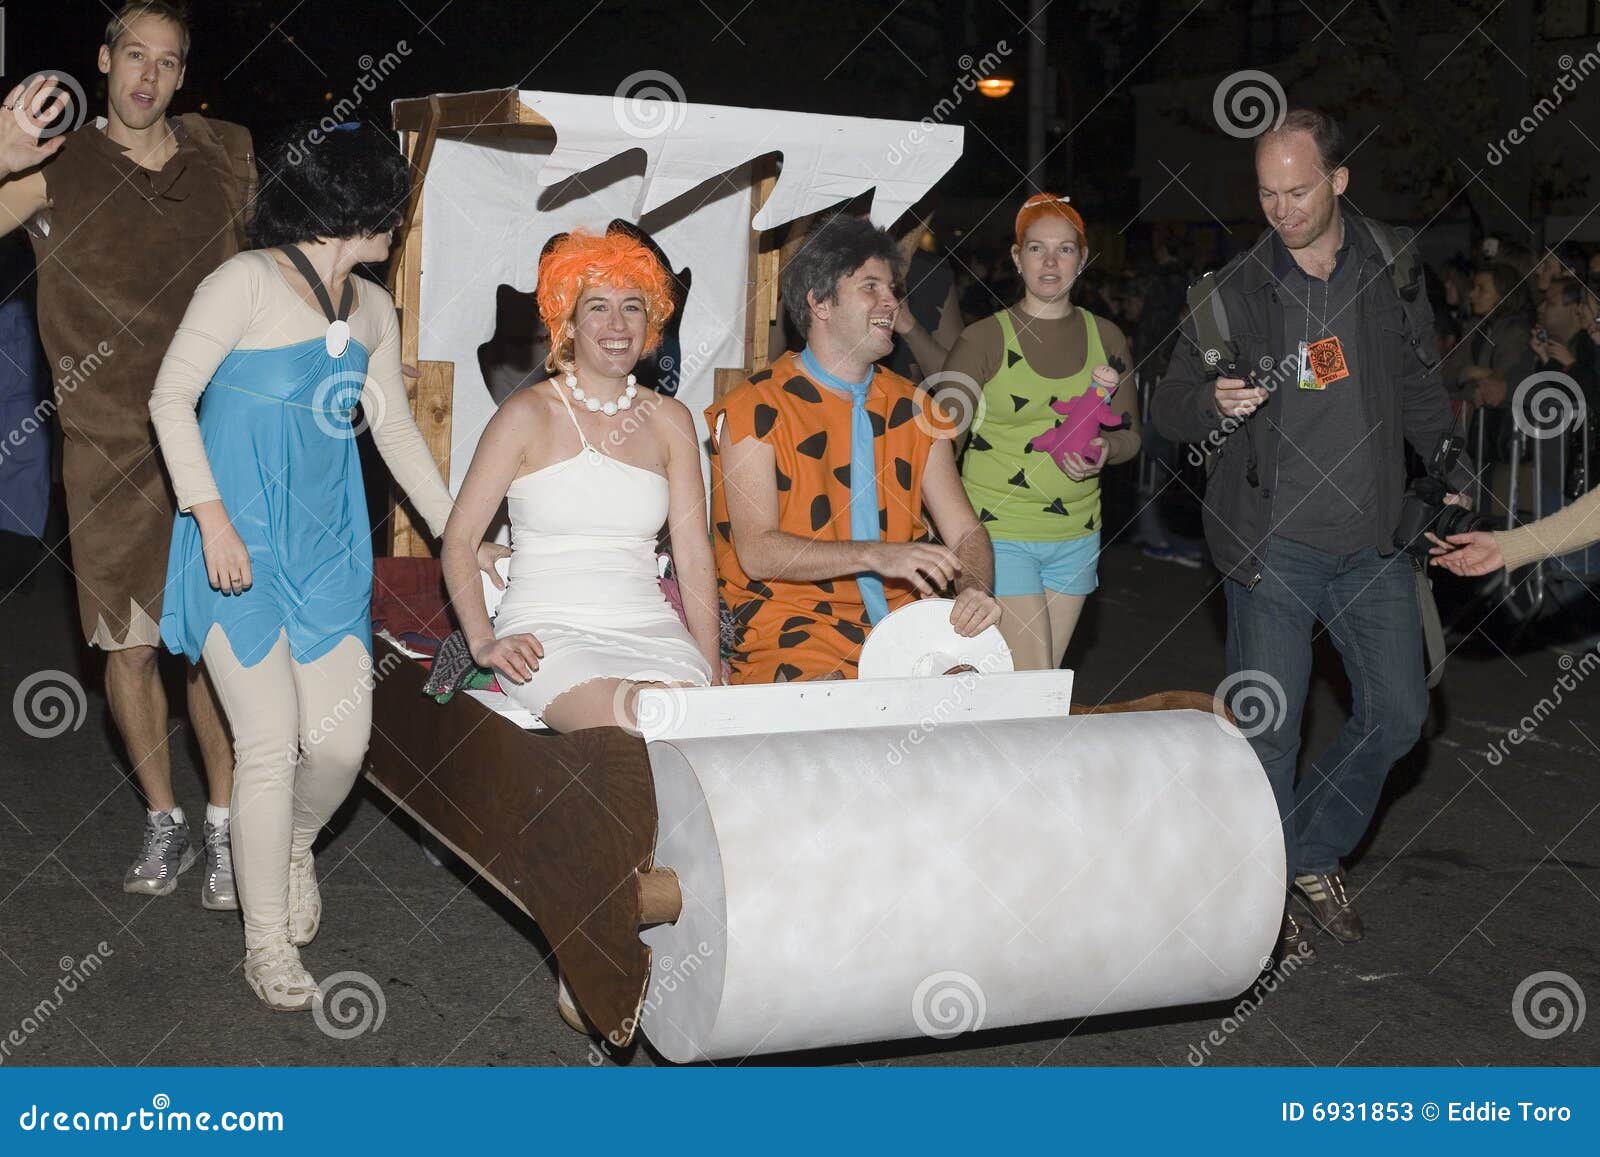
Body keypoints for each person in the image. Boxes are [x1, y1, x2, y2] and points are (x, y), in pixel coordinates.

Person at [149, 121, 493, 1010]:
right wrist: (211, 518)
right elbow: (170, 396)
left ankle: (292, 842)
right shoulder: (244, 283)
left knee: (338, 745)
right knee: (266, 744)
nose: (399, 225)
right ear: (363, 205)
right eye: (393, 208)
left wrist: (464, 531)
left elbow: (398, 433)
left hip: (329, 551)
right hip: (237, 548)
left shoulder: (373, 309)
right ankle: (266, 946)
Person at [1151, 108, 1473, 959]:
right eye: (1266, 192)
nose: (1281, 208)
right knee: (1270, 731)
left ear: (1338, 181)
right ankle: (1261, 894)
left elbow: (1416, 381)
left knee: (1402, 713)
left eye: (1298, 190)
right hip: (1273, 548)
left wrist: (1448, 467)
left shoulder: (1391, 269)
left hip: (1370, 544)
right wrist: (1206, 404)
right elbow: (1169, 402)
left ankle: (1304, 850)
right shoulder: (1233, 294)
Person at [0, 3, 247, 904]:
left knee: (215, 647)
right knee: (131, 647)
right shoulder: (56, 168)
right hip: (105, 449)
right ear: (102, 60)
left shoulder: (225, 161)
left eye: (167, 62)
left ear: (183, 76)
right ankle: (164, 818)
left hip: (219, 442)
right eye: (132, 55)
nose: (146, 75)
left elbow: (288, 262)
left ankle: (225, 825)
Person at [442, 228, 719, 735]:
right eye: (597, 307)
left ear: (651, 320)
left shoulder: (671, 419)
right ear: (567, 322)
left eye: (632, 306)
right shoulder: (525, 414)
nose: (617, 324)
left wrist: (712, 663)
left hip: (652, 627)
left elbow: (694, 553)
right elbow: (458, 541)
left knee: (704, 725)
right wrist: (483, 643)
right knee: (639, 719)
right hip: (549, 634)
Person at [709, 213, 1001, 683]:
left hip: (902, 622)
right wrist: (877, 554)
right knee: (836, 712)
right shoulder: (753, 408)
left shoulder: (916, 408)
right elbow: (758, 552)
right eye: (871, 288)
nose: (892, 302)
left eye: (892, 288)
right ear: (820, 303)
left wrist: (973, 588)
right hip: (792, 625)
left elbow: (967, 533)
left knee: (978, 697)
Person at [941, 194, 1140, 670]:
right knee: (1033, 685)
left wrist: (1104, 449)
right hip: (999, 536)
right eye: (1036, 248)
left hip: (1077, 537)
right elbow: (939, 443)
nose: (1050, 262)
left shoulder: (1107, 336)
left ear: (1083, 258)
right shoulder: (983, 338)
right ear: (1017, 257)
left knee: (1031, 687)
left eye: (1065, 249)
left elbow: (1130, 435)